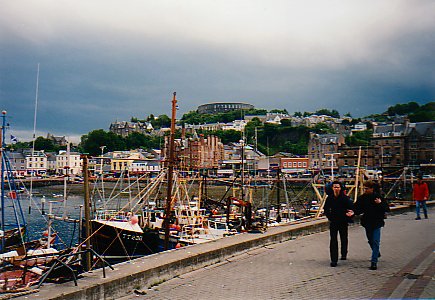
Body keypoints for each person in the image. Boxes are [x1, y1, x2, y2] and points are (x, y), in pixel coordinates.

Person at [352, 180, 390, 270]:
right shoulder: (362, 198)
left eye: (367, 188)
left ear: (372, 189)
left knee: (376, 241)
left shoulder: (378, 197)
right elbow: (358, 209)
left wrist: (380, 203)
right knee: (371, 240)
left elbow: (386, 209)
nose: (365, 190)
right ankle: (376, 252)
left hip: (377, 222)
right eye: (364, 188)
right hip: (367, 222)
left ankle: (374, 262)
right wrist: (352, 212)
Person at [323, 181, 354, 267]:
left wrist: (349, 215)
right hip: (333, 221)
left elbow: (351, 209)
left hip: (343, 221)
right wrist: (330, 217)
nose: (336, 189)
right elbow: (326, 209)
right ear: (332, 188)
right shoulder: (329, 198)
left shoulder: (345, 198)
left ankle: (344, 253)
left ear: (341, 188)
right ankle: (334, 259)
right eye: (334, 187)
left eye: (338, 187)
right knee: (333, 240)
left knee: (343, 238)